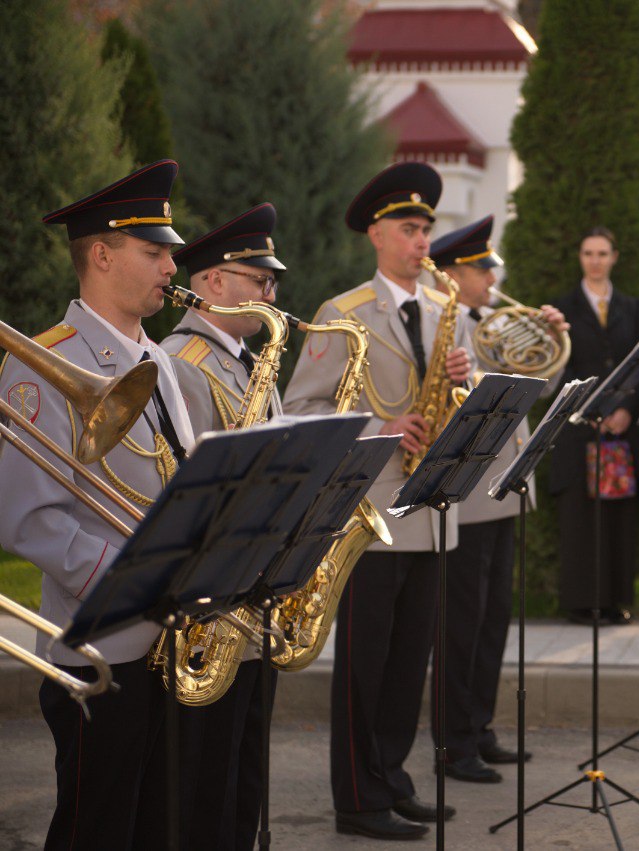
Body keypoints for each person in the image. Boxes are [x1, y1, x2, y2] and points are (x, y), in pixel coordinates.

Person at [0, 160, 194, 849]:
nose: (172, 264)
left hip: (171, 640)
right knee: (97, 828)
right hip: (101, 648)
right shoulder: (41, 362)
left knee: (157, 825)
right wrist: (138, 579)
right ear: (103, 255)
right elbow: (30, 520)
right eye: (155, 250)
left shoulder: (159, 359)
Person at [282, 162, 470, 841]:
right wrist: (379, 427)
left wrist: (463, 381)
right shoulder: (343, 314)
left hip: (432, 508)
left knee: (408, 662)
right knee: (365, 664)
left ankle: (391, 778)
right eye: (408, 229)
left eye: (425, 230)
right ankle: (357, 798)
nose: (421, 242)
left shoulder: (447, 311)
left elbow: (458, 407)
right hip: (371, 515)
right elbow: (301, 409)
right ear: (376, 235)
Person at [159, 202, 286, 850]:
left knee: (244, 769)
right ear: (211, 280)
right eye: (258, 279)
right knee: (207, 777)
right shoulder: (182, 361)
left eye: (272, 283)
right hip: (211, 603)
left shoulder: (248, 358)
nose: (271, 294)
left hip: (252, 591)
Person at [424, 215, 567, 783]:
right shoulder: (446, 326)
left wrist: (550, 340)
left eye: (490, 269)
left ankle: (478, 727)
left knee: (492, 620)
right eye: (481, 270)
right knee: (462, 622)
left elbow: (539, 385)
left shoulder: (492, 323)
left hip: (505, 487)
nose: (492, 279)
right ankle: (453, 741)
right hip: (469, 495)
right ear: (453, 275)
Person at [548, 227, 639, 625]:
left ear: (614, 257)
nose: (595, 260)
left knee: (618, 516)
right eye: (588, 253)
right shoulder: (563, 308)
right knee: (581, 517)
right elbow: (563, 368)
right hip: (578, 430)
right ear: (580, 257)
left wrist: (625, 410)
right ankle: (583, 603)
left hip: (621, 431)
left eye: (602, 253)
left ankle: (616, 601)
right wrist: (593, 410)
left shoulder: (633, 308)